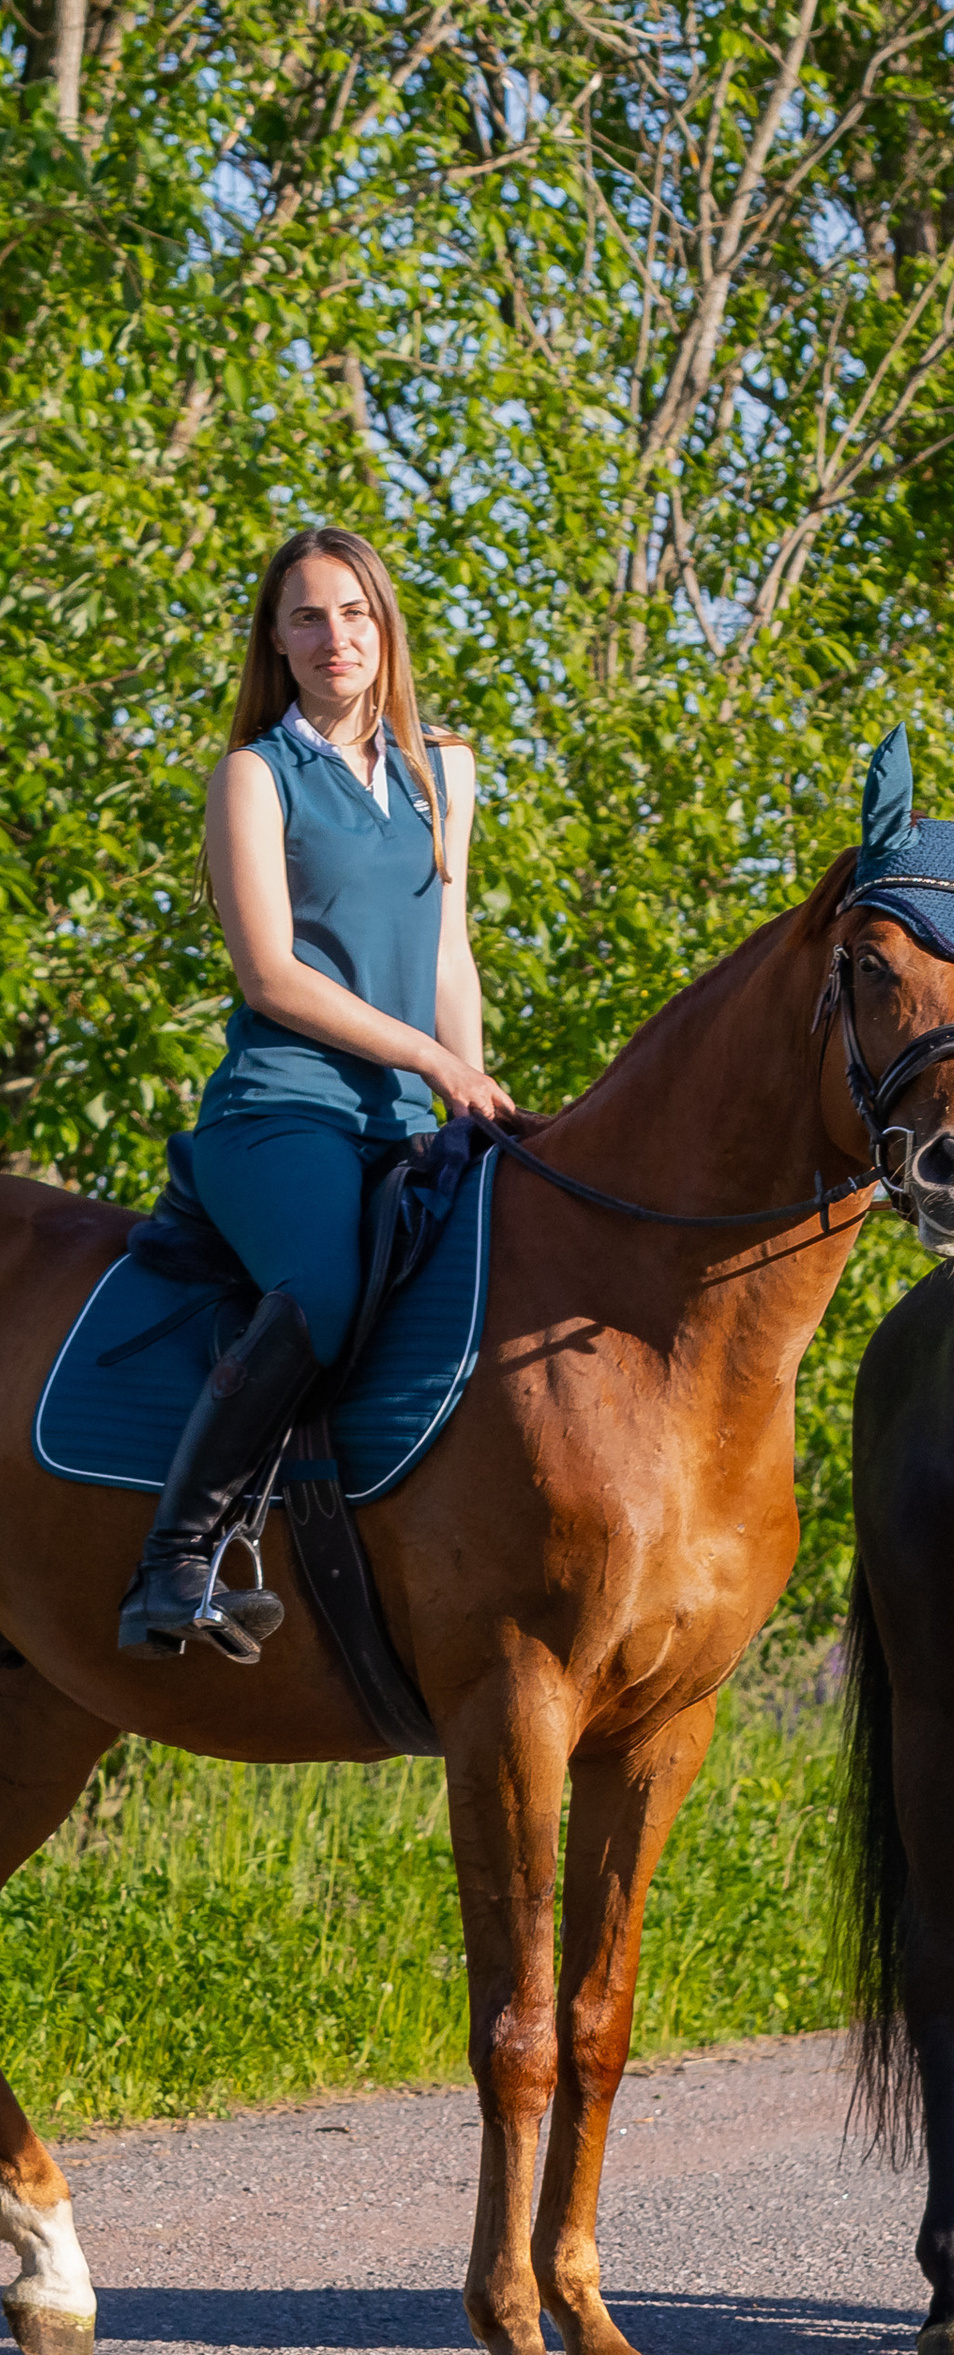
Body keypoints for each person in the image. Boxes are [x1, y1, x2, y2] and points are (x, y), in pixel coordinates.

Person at [118, 527, 516, 1664]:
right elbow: (271, 977)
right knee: (324, 1292)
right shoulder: (253, 776)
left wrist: (471, 1091)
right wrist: (432, 1061)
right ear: (277, 641)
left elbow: (448, 950)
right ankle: (173, 1564)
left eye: (353, 612)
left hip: (410, 1115)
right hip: (280, 1111)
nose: (334, 636)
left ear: (385, 626)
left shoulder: (445, 767)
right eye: (306, 616)